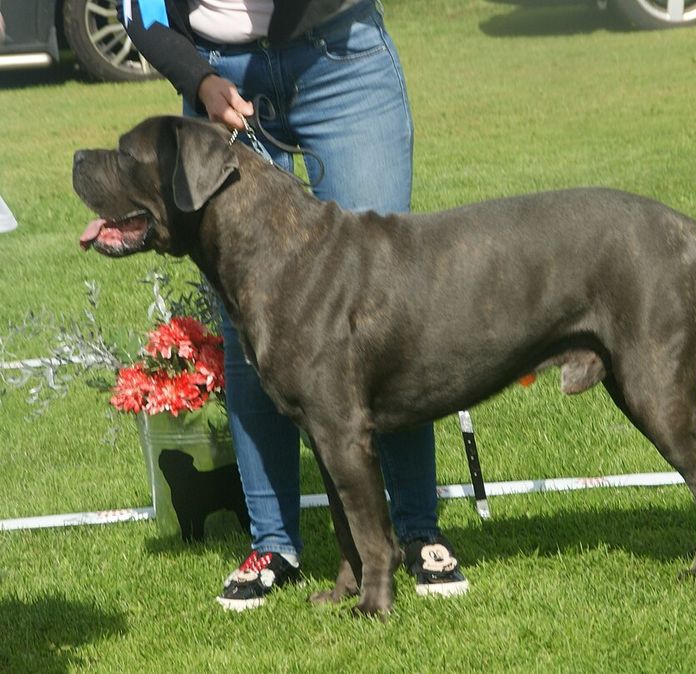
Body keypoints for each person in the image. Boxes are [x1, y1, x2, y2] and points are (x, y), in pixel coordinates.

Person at [121, 0, 469, 610]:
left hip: (339, 57)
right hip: (215, 73)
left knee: (385, 305)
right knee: (250, 320)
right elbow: (139, 4)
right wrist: (198, 78)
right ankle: (274, 543)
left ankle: (417, 531)